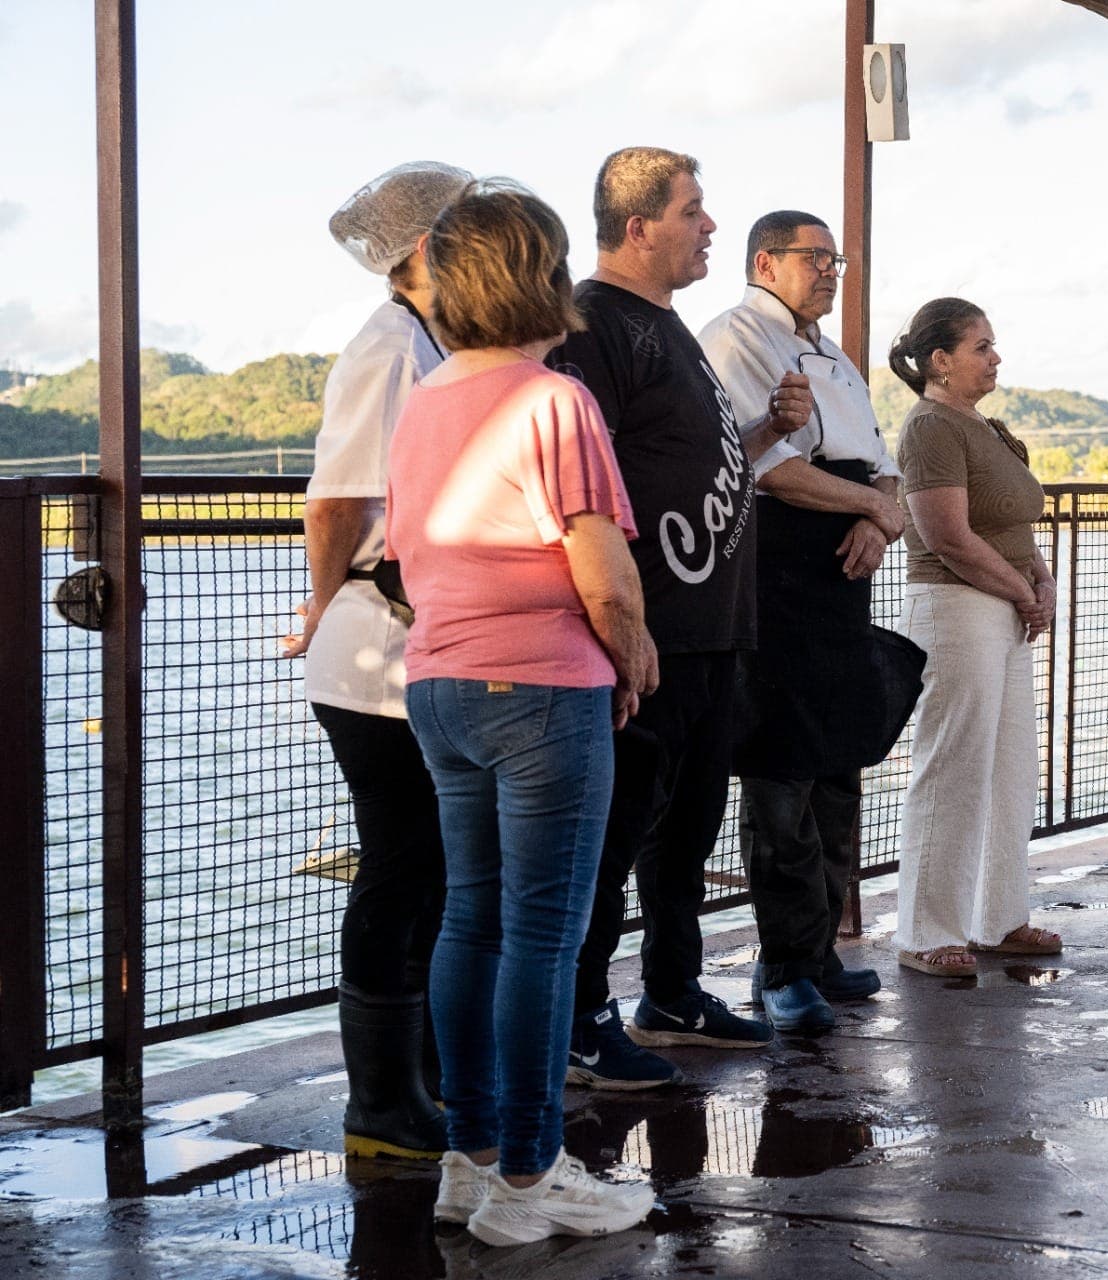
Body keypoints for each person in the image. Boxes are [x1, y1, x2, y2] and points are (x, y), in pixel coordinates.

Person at [385, 180, 657, 1246]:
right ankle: (534, 1176)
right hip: (542, 686)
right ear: (541, 276)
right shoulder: (553, 400)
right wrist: (633, 654)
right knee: (544, 933)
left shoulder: (424, 400)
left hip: (439, 683)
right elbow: (602, 566)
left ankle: (473, 1160)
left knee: (472, 918)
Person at [548, 148, 813, 1079]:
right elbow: (582, 479)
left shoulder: (674, 329)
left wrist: (770, 432)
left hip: (713, 634)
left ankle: (671, 991)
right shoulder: (592, 326)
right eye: (693, 211)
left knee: (685, 834)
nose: (710, 227)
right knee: (612, 836)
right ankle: (580, 1018)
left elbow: (689, 463)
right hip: (650, 635)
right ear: (638, 227)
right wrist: (621, 630)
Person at [284, 160, 470, 1162]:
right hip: (374, 649)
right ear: (430, 247)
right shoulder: (389, 347)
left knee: (429, 865)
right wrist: (324, 604)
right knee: (401, 864)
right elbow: (337, 499)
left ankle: (425, 1080)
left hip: (419, 642)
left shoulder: (434, 339)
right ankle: (382, 1101)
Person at [697, 210, 911, 1034]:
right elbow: (772, 469)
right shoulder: (736, 336)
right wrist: (872, 507)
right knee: (781, 767)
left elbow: (882, 466)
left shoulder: (836, 356)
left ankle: (820, 952)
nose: (829, 270)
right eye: (813, 257)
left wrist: (878, 520)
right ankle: (782, 966)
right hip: (777, 571)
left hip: (843, 575)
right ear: (764, 263)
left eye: (835, 258)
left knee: (838, 763)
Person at [888, 298, 1060, 977]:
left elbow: (1013, 524)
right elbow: (947, 537)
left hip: (1004, 611)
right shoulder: (930, 427)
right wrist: (1021, 590)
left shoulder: (984, 427)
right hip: (957, 610)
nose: (995, 358)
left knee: (1010, 770)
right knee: (952, 769)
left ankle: (999, 918)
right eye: (981, 347)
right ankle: (926, 931)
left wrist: (1041, 581)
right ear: (940, 360)